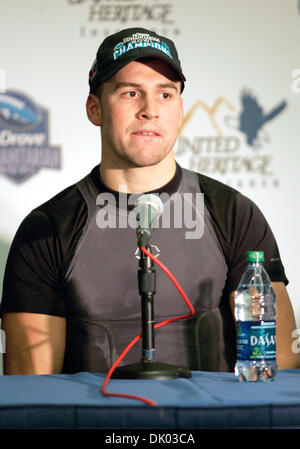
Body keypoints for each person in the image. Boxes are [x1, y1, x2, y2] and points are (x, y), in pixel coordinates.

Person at [1, 27, 299, 375]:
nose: (150, 110)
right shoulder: (48, 229)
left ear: (181, 111)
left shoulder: (233, 214)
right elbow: (30, 391)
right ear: (94, 108)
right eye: (130, 93)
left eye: (166, 95)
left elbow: (278, 370)